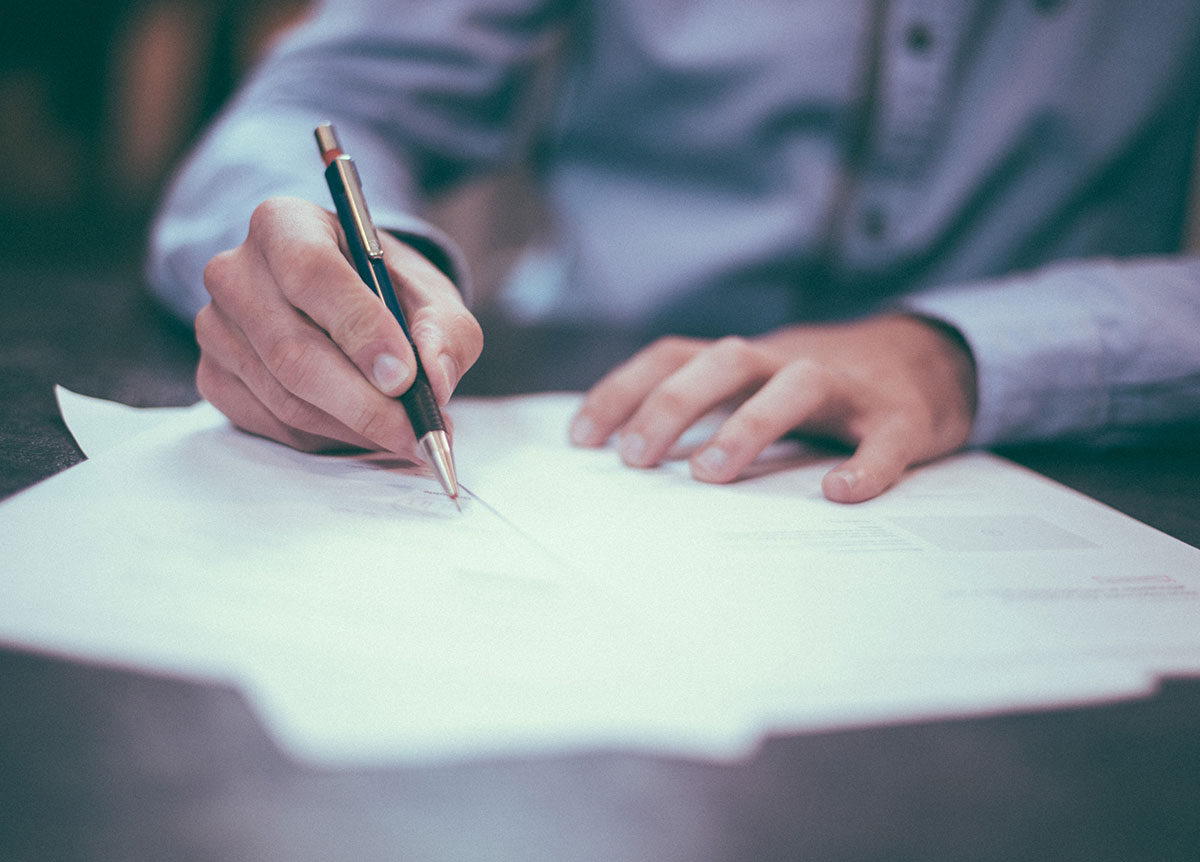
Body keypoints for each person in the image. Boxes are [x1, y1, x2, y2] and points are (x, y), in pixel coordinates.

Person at [147, 0, 1200, 503]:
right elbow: (313, 106)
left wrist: (962, 351)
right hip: (587, 418)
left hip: (1065, 458)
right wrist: (334, 267)